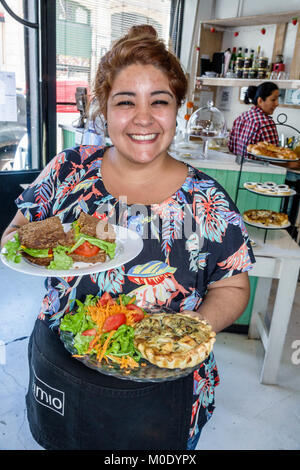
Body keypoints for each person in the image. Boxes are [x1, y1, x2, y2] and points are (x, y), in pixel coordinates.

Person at [1, 25, 255, 451]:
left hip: (161, 381)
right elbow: (17, 230)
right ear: (103, 109)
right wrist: (26, 248)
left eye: (160, 101)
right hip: (62, 363)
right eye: (125, 101)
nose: (143, 117)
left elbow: (232, 284)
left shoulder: (208, 199)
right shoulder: (67, 170)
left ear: (179, 110)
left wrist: (195, 327)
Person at [228, 82, 280, 158]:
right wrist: (290, 164)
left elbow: (231, 147)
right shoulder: (266, 123)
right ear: (260, 101)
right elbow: (274, 157)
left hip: (239, 168)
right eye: (273, 100)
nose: (277, 103)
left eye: (277, 99)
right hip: (258, 169)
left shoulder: (241, 117)